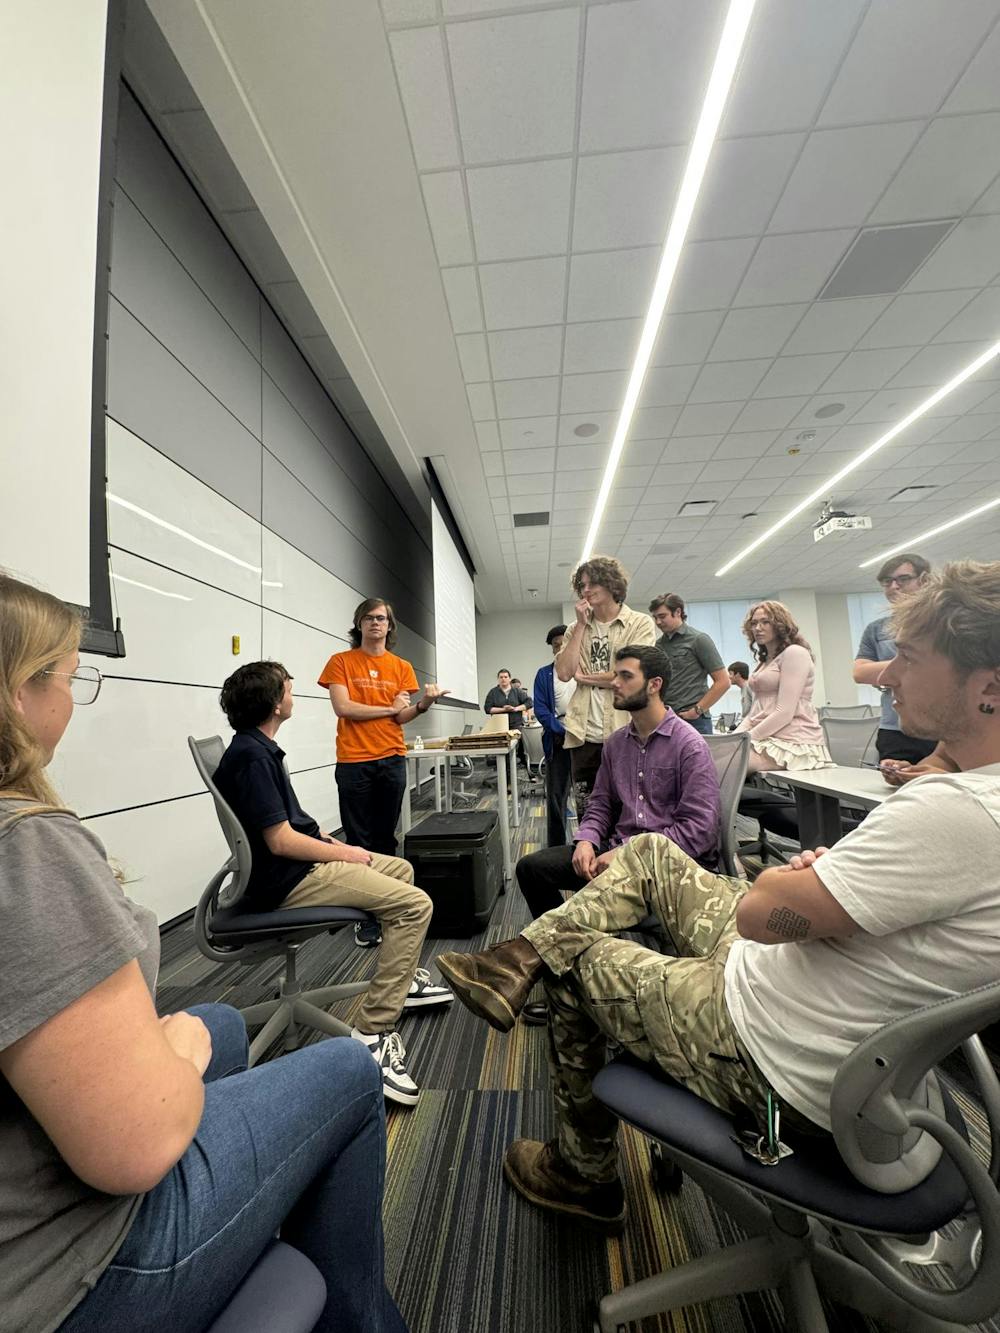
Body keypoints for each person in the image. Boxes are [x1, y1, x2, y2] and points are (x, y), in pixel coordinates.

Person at [437, 561, 1000, 1233]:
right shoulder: (968, 801)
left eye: (910, 658)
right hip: (811, 1004)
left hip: (772, 1052)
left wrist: (788, 883)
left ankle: (583, 1173)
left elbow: (760, 910)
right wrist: (812, 881)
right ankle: (515, 959)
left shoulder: (950, 813)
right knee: (646, 853)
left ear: (988, 688)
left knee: (575, 956)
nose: (889, 675)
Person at [0, 574, 408, 1332]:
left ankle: (251, 1210)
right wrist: (176, 1054)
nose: (74, 698)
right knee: (348, 1070)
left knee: (220, 1021)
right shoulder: (26, 846)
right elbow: (135, 1145)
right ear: (21, 692)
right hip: (62, 1271)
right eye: (70, 678)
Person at [214, 661, 451, 1106]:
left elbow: (287, 825)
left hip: (287, 868)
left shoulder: (257, 748)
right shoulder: (253, 757)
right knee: (415, 905)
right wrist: (344, 853)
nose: (293, 695)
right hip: (288, 880)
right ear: (274, 703)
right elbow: (281, 841)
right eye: (288, 689)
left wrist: (329, 840)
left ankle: (399, 982)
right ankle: (373, 1032)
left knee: (400, 870)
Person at [516, 645, 720, 1025]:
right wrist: (587, 840)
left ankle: (549, 981)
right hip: (613, 856)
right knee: (531, 869)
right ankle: (569, 980)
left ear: (654, 685)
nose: (614, 683)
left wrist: (627, 852)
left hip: (667, 871)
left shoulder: (688, 745)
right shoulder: (616, 744)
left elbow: (699, 831)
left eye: (626, 676)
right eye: (615, 675)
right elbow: (601, 805)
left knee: (584, 907)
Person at [320, 598, 448, 946]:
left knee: (386, 837)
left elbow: (401, 715)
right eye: (369, 618)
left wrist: (423, 704)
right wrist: (387, 708)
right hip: (354, 760)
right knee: (358, 839)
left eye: (381, 618)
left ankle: (387, 904)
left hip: (391, 758)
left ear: (390, 626)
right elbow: (343, 708)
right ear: (359, 623)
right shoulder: (341, 661)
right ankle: (363, 915)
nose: (375, 623)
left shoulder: (401, 667)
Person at [556, 557, 656, 816]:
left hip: (626, 731)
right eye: (582, 585)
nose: (586, 590)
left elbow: (632, 674)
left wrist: (585, 678)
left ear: (612, 584)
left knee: (630, 811)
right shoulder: (574, 629)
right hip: (583, 735)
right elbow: (565, 672)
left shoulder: (639, 623)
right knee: (587, 812)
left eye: (593, 583)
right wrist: (581, 625)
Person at [853, 552, 940, 768]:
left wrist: (887, 672)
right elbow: (860, 673)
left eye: (903, 579)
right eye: (887, 581)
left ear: (924, 580)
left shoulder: (944, 622)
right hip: (895, 726)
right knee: (895, 779)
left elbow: (943, 667)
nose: (894, 586)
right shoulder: (876, 629)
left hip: (942, 724)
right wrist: (911, 665)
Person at [736, 601, 832, 774]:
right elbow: (753, 712)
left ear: (779, 625)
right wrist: (733, 738)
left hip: (794, 743)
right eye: (754, 623)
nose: (758, 628)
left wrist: (746, 739)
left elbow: (784, 712)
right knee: (713, 755)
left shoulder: (795, 653)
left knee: (727, 763)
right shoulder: (765, 661)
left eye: (765, 622)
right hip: (767, 739)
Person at [649, 593, 729, 734]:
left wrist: (697, 711)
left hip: (694, 720)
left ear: (678, 612)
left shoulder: (699, 639)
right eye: (655, 617)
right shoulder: (658, 645)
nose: (658, 622)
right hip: (665, 718)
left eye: (662, 616)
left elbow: (723, 682)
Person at [532, 625, 575, 848]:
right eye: (556, 645)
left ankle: (591, 844)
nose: (560, 648)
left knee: (590, 796)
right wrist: (561, 730)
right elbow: (540, 709)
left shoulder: (584, 670)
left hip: (586, 740)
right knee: (556, 797)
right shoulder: (544, 674)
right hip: (557, 739)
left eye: (564, 644)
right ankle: (556, 847)